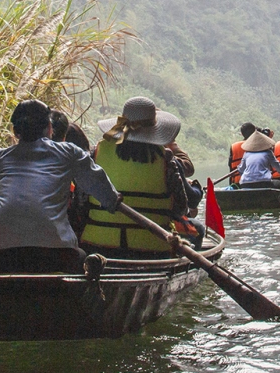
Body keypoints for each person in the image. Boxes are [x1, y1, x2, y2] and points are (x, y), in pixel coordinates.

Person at [0, 100, 121, 274]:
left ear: (15, 131)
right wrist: (113, 200)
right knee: (82, 257)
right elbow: (101, 188)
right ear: (50, 128)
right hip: (53, 256)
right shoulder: (69, 152)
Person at [81, 97, 199, 255]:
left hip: (97, 246)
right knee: (198, 229)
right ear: (154, 129)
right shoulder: (166, 159)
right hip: (152, 248)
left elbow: (81, 202)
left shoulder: (96, 152)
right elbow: (180, 209)